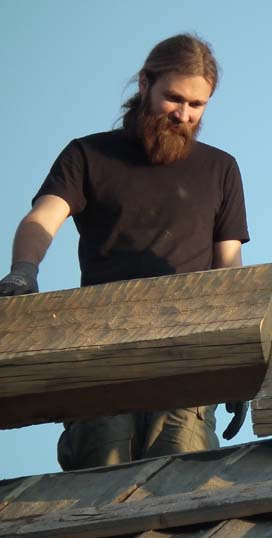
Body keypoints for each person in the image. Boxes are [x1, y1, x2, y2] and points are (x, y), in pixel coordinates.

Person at [0, 34, 251, 470]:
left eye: (198, 106)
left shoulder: (221, 168)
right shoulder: (88, 155)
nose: (184, 114)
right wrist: (23, 272)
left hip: (186, 363)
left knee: (182, 491)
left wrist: (239, 359)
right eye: (174, 99)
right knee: (95, 495)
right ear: (144, 84)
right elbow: (44, 217)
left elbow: (228, 268)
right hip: (99, 357)